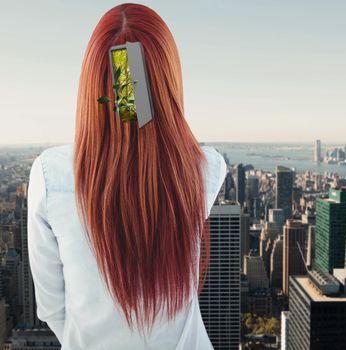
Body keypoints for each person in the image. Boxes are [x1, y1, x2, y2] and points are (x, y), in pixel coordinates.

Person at [27, 3, 226, 349]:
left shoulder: (50, 175)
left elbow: (52, 309)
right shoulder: (204, 168)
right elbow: (138, 123)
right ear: (167, 82)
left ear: (91, 84)